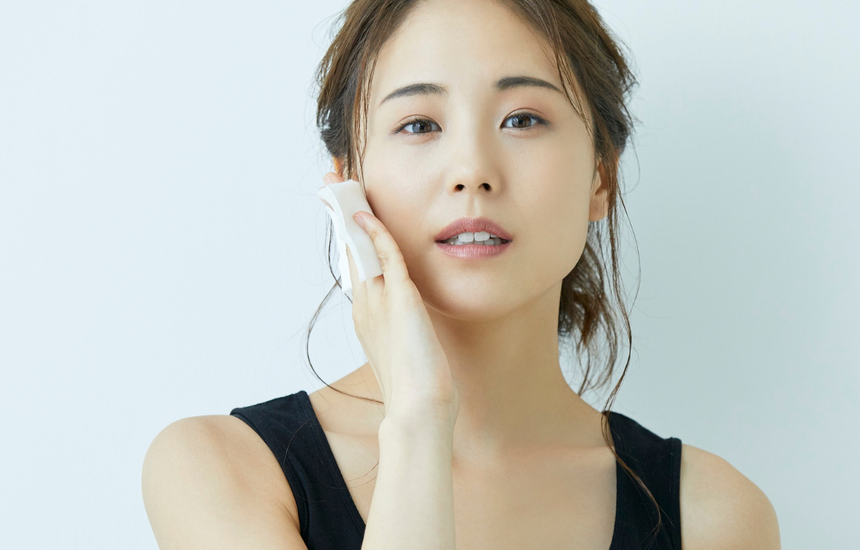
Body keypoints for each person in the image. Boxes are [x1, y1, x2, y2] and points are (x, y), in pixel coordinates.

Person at [141, 0, 780, 548]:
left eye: (523, 119)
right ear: (348, 186)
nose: (472, 169)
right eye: (419, 124)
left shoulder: (712, 516)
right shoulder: (221, 469)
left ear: (600, 176)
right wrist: (419, 418)